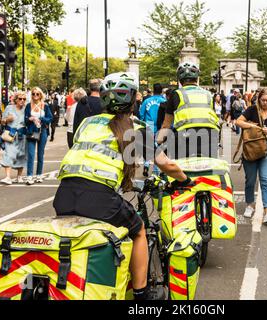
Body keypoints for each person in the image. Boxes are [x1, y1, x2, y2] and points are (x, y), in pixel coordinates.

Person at [53, 72, 193, 300]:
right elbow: (165, 164)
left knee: (76, 240)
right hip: (98, 197)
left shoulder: (87, 123)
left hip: (64, 194)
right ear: (131, 100)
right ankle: (141, 293)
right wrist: (185, 180)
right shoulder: (135, 128)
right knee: (137, 231)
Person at [236, 88, 267, 223]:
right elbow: (238, 122)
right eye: (262, 100)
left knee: (266, 180)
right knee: (250, 180)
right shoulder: (252, 110)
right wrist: (253, 127)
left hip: (266, 149)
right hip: (251, 148)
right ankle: (249, 204)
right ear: (258, 99)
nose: (265, 103)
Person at [159, 62, 220, 159]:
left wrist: (159, 140)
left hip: (184, 137)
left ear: (180, 80)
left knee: (180, 170)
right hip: (209, 136)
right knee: (210, 167)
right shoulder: (208, 94)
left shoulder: (176, 94)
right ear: (197, 78)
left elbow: (166, 124)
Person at [24, 87, 53, 185]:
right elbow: (25, 120)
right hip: (32, 132)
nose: (35, 96)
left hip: (42, 131)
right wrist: (31, 119)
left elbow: (50, 118)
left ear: (40, 95)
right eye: (33, 94)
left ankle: (39, 174)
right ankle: (29, 176)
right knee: (31, 154)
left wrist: (41, 118)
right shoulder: (28, 106)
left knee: (40, 154)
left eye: (37, 94)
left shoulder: (45, 106)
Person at [0, 92, 28, 185]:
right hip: (10, 135)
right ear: (16, 99)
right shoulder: (9, 108)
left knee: (21, 155)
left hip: (22, 135)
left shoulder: (26, 109)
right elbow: (2, 122)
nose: (22, 101)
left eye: (24, 99)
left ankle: (19, 176)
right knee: (9, 154)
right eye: (20, 98)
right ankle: (8, 177)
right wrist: (7, 119)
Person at [140, 83, 166, 176]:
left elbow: (141, 114)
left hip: (148, 124)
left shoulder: (147, 101)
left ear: (153, 90)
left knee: (148, 147)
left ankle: (146, 165)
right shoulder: (164, 100)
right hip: (160, 126)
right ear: (161, 90)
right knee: (158, 148)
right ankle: (156, 171)